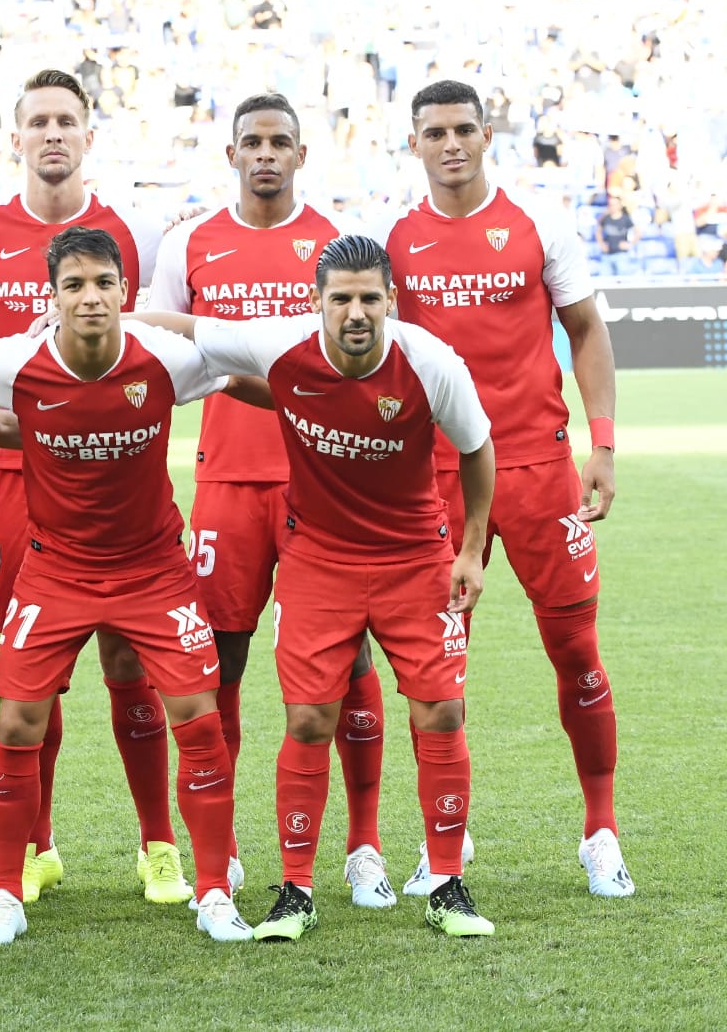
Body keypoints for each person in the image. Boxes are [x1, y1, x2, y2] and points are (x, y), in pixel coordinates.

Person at [153, 234, 498, 939]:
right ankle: (296, 890)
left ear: (391, 302)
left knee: (441, 711)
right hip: (318, 562)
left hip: (413, 561)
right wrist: (94, 321)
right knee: (309, 719)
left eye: (370, 297)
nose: (356, 311)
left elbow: (477, 448)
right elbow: (186, 329)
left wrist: (469, 550)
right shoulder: (283, 345)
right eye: (341, 298)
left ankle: (446, 883)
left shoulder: (431, 363)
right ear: (318, 304)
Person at [0, 226, 249, 945]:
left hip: (152, 566)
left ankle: (211, 891)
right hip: (55, 568)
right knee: (18, 721)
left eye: (102, 284)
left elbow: (247, 370)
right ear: (50, 298)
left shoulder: (167, 359)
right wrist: (42, 434)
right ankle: (2, 895)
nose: (90, 297)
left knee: (199, 718)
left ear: (125, 293)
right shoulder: (13, 363)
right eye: (74, 285)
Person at [0, 68, 191, 908]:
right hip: (19, 478)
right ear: (15, 137)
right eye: (38, 120)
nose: (53, 134)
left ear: (89, 136)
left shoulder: (137, 231)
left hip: (118, 475)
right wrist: (32, 412)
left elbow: (163, 331)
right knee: (30, 671)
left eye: (67, 121)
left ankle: (157, 842)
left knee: (131, 660)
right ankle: (37, 846)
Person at [377, 80, 631, 899]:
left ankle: (602, 830)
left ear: (487, 134)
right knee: (435, 672)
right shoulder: (391, 235)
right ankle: (444, 840)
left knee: (577, 654)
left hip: (538, 471)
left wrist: (605, 444)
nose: (450, 144)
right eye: (433, 132)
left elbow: (587, 329)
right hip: (434, 482)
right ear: (414, 143)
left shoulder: (537, 223)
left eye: (462, 129)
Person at [147, 92, 393, 907]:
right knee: (220, 663)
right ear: (230, 155)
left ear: (300, 153)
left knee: (351, 666)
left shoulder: (336, 246)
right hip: (226, 481)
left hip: (327, 482)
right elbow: (159, 351)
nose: (264, 154)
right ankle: (225, 848)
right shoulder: (190, 242)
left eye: (278, 142)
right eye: (250, 141)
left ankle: (364, 847)